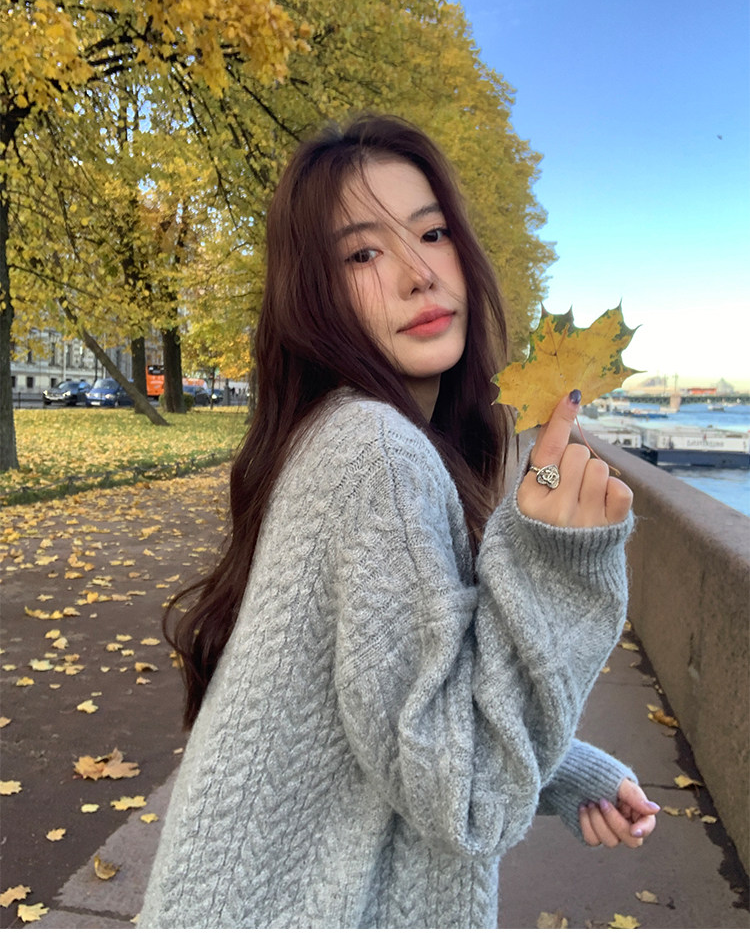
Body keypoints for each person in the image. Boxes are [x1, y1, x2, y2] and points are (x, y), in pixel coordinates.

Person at [139, 114, 659, 929]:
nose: (418, 273)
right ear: (313, 295)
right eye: (362, 254)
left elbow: (391, 712)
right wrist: (557, 566)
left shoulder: (343, 436)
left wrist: (564, 769)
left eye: (432, 233)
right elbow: (466, 793)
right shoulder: (376, 451)